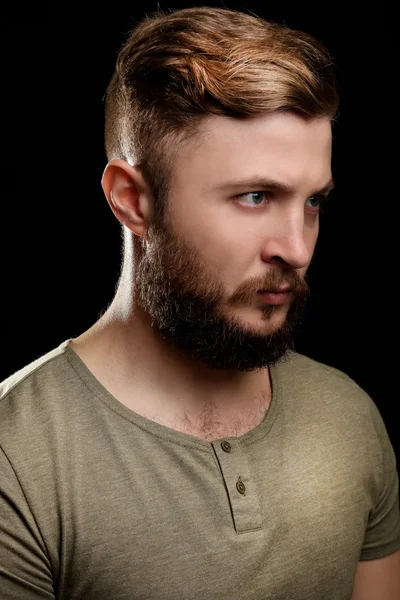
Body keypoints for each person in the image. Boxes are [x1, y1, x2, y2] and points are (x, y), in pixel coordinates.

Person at [1, 5, 399, 599]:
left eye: (314, 202)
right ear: (132, 201)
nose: (296, 248)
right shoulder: (17, 455)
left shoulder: (349, 418)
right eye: (256, 196)